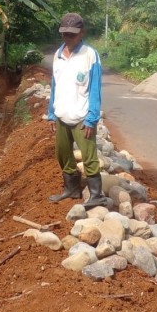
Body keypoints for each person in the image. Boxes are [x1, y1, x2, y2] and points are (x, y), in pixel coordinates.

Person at [47, 12, 108, 208]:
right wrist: (51, 114)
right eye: (64, 34)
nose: (68, 38)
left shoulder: (90, 55)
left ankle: (96, 195)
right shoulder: (58, 55)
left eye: (72, 34)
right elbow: (55, 86)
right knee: (63, 154)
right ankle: (71, 189)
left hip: (82, 116)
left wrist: (92, 118)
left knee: (89, 156)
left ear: (82, 32)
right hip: (61, 114)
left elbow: (95, 90)